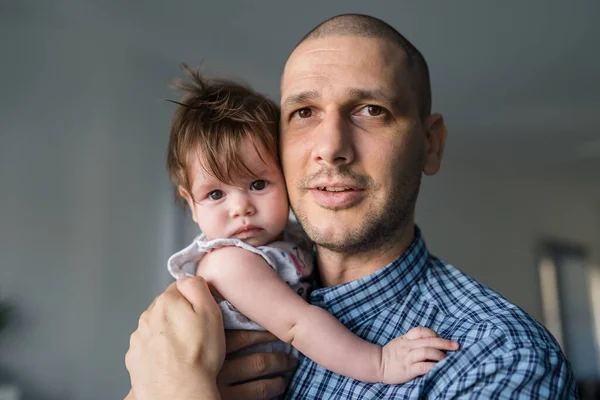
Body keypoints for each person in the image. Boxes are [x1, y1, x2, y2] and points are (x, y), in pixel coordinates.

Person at [126, 13, 578, 399]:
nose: (331, 148)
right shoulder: (206, 302)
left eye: (371, 110)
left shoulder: (498, 356)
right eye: (304, 112)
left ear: (429, 145)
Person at [163, 67, 458, 384]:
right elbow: (298, 325)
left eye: (259, 184)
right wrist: (380, 362)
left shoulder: (291, 238)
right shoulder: (228, 263)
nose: (241, 208)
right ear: (191, 204)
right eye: (216, 194)